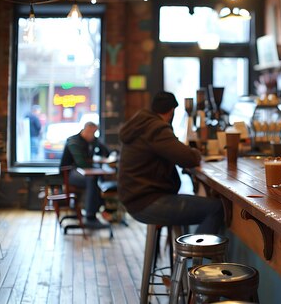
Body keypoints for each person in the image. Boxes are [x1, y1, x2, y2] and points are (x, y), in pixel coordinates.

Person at [118, 91, 223, 234]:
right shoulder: (156, 128)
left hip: (135, 199)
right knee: (216, 209)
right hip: (147, 201)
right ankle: (195, 257)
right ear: (171, 111)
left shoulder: (142, 124)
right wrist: (196, 153)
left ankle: (189, 253)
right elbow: (189, 158)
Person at [60, 121, 110, 225]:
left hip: (83, 171)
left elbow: (106, 152)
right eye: (93, 132)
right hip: (68, 173)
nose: (94, 135)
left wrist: (97, 143)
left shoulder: (92, 141)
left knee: (96, 178)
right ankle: (91, 215)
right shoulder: (73, 141)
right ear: (87, 130)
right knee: (92, 179)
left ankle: (99, 208)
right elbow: (81, 163)